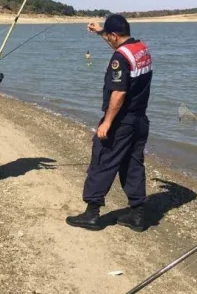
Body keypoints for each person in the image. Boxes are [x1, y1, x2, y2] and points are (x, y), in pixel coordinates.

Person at [66, 14, 153, 232]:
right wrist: (100, 33)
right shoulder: (140, 48)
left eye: (109, 35)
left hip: (122, 121)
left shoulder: (120, 58)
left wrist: (107, 122)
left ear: (114, 35)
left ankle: (92, 213)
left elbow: (119, 93)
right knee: (133, 164)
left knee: (102, 160)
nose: (108, 39)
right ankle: (137, 213)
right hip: (140, 120)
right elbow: (120, 49)